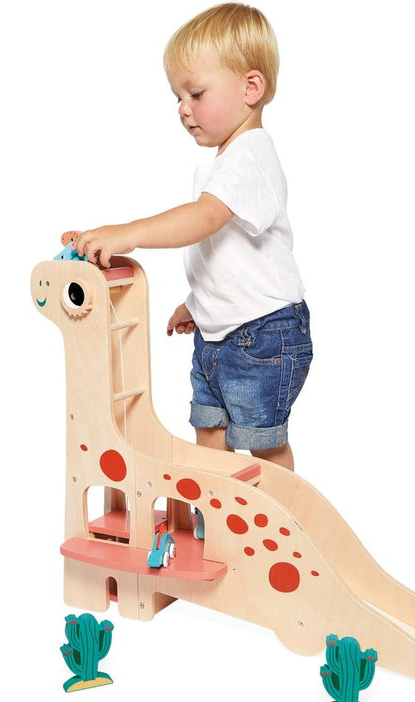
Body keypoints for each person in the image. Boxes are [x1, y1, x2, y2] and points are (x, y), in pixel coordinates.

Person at [64, 3, 311, 470]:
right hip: (222, 334)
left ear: (251, 88)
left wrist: (129, 234)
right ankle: (215, 510)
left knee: (262, 441)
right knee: (209, 430)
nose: (183, 108)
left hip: (263, 334)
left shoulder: (250, 156)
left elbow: (204, 219)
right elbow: (230, 258)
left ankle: (281, 511)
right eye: (177, 96)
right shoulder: (229, 160)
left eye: (196, 93)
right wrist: (198, 303)